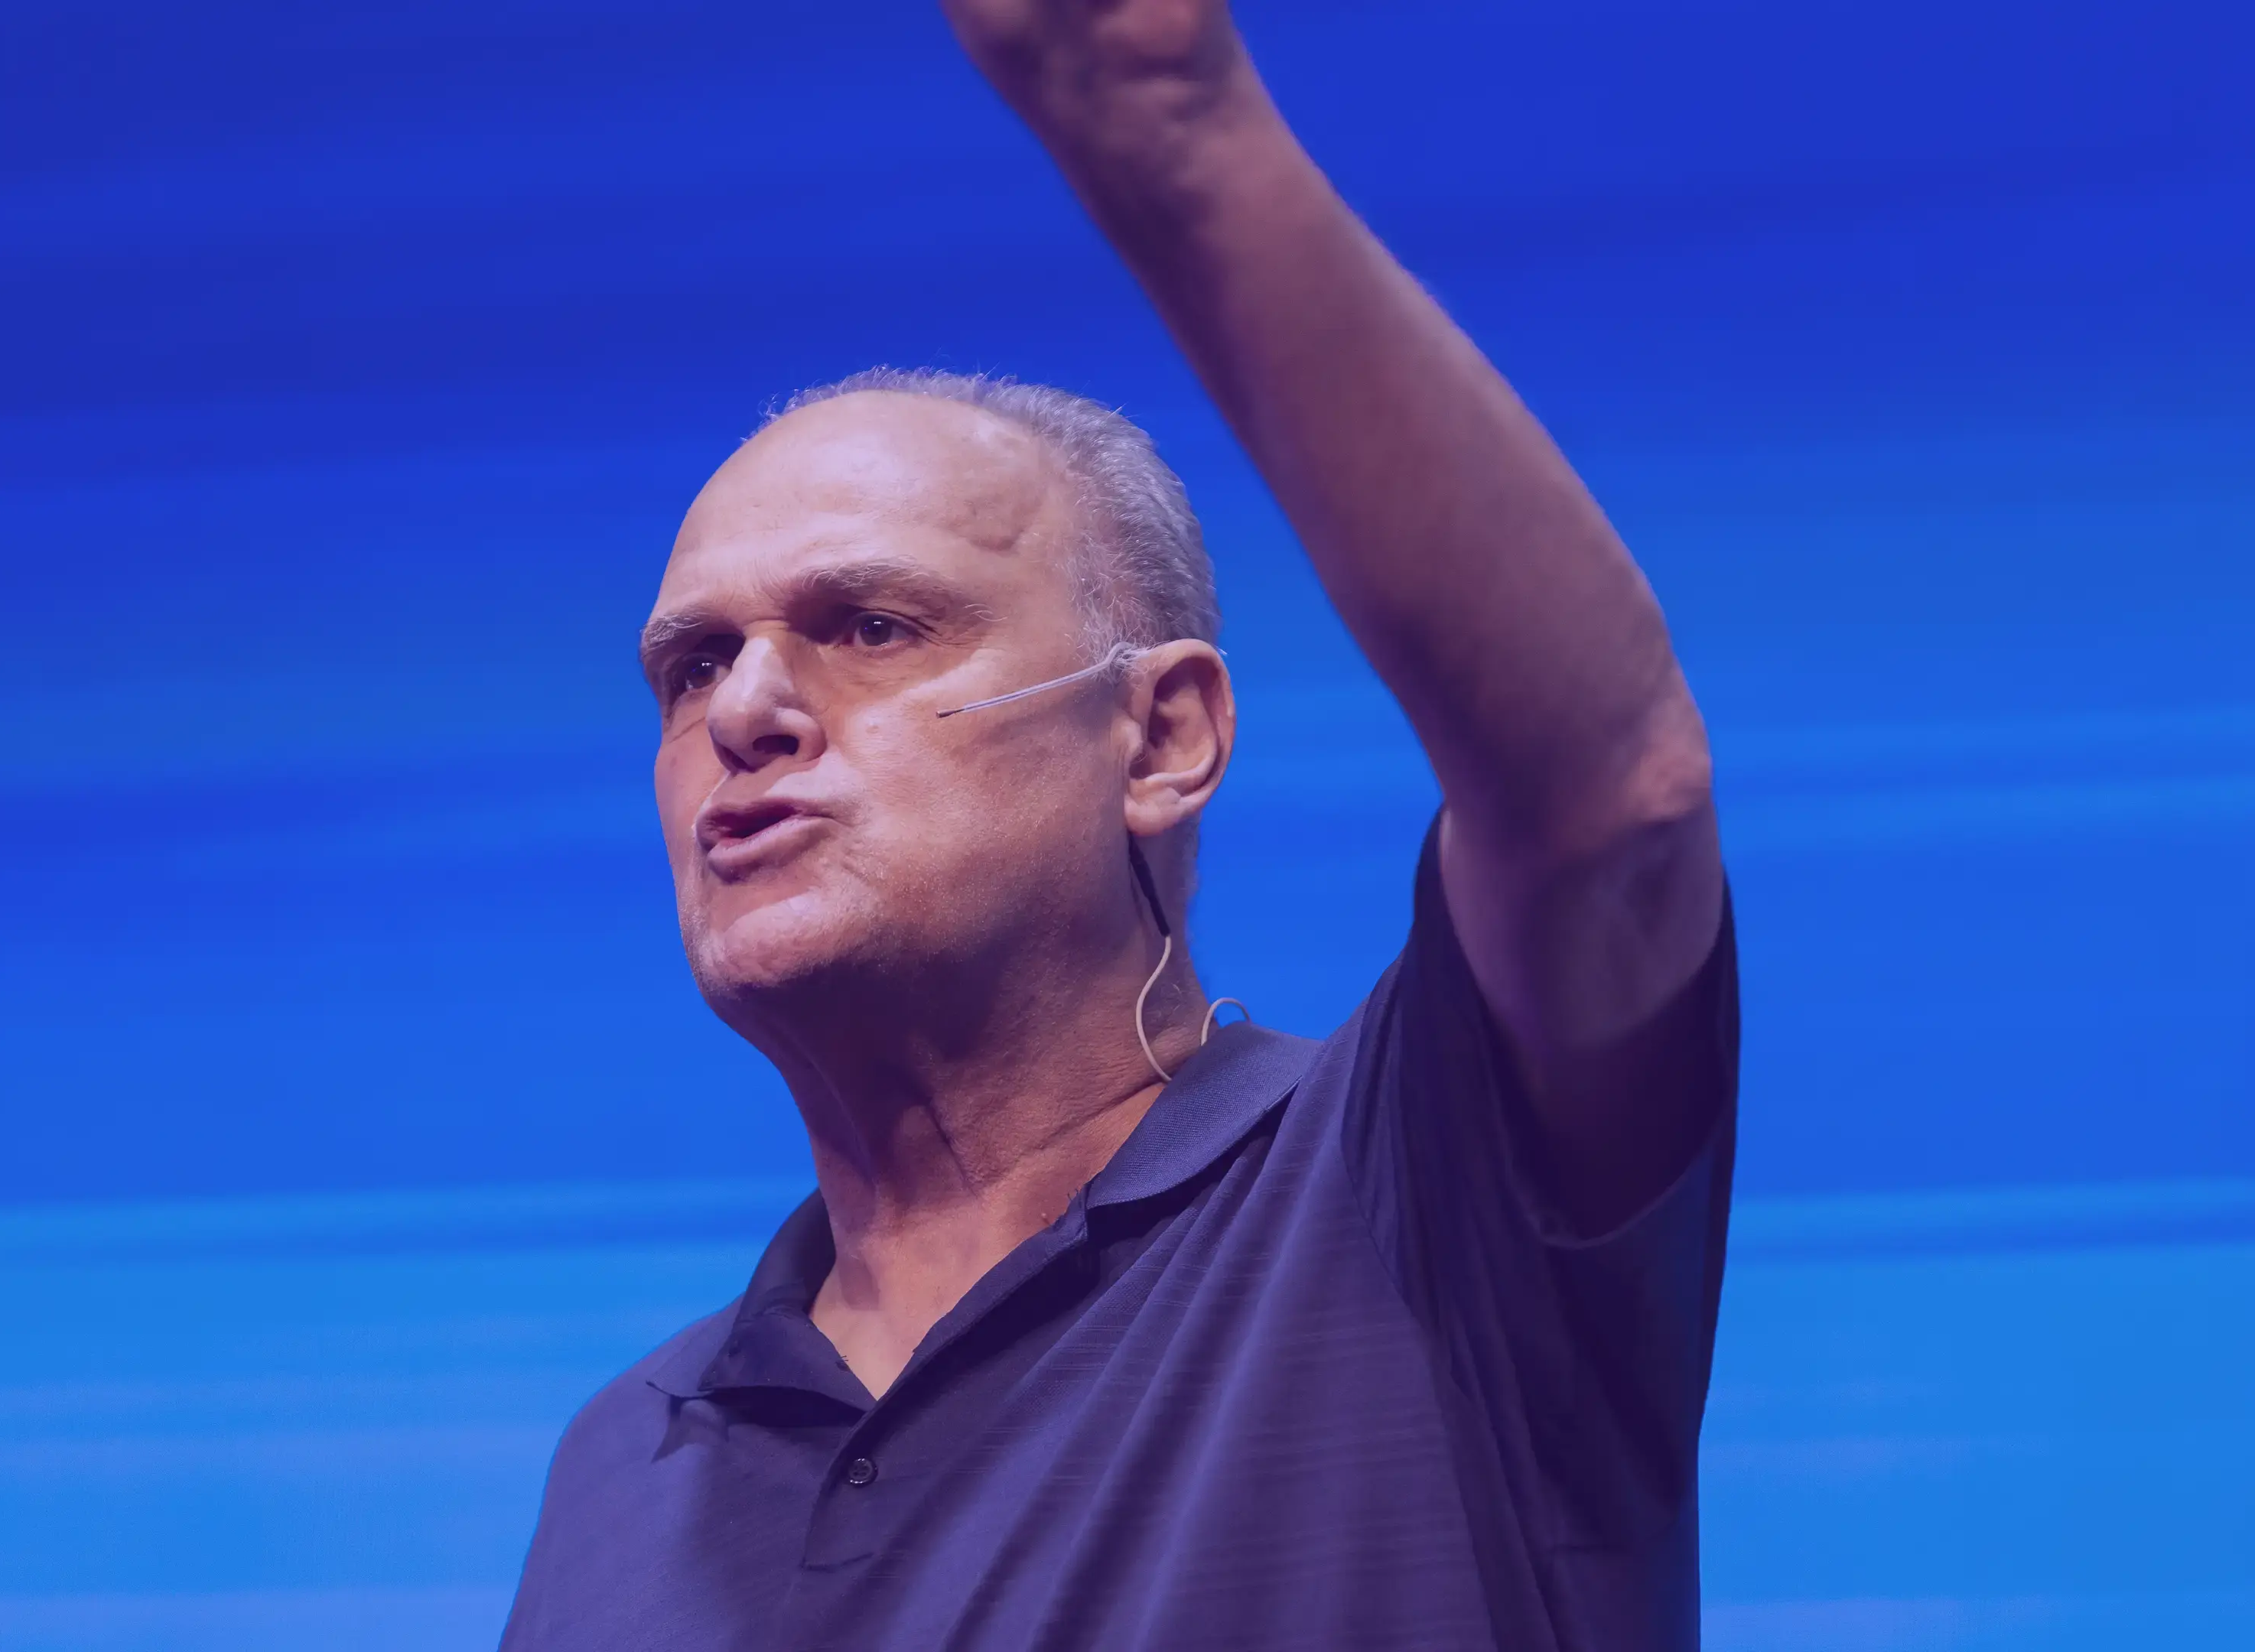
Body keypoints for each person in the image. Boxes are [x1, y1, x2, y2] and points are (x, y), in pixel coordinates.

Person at [502, 2, 1736, 1647]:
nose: (745, 712)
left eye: (873, 626)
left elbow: (1611, 799)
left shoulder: (1426, 1192)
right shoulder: (621, 1470)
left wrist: (1174, 127)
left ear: (1161, 737)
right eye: (693, 665)